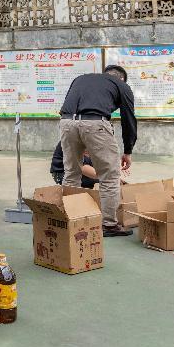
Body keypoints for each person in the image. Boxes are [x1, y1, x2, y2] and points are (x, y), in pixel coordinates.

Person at [59, 64, 137, 237]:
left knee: (71, 173)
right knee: (109, 176)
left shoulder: (80, 79)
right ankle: (109, 225)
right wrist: (128, 151)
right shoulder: (121, 85)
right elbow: (128, 119)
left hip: (66, 122)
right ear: (121, 79)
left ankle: (70, 218)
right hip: (95, 123)